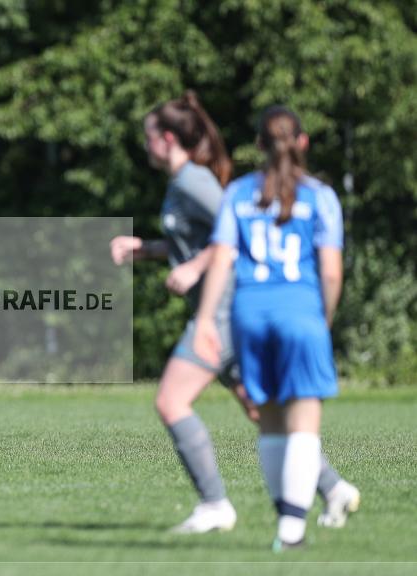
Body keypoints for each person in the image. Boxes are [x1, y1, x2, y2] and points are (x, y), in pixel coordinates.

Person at [111, 92, 357, 533]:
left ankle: (215, 506)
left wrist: (194, 267)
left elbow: (235, 235)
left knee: (170, 400)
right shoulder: (181, 181)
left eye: (149, 138)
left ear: (167, 139)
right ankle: (334, 487)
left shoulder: (194, 182)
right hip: (228, 313)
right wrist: (147, 250)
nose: (145, 146)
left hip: (225, 312)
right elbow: (201, 240)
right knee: (261, 411)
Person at [193, 105, 351, 550]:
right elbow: (332, 272)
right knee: (304, 425)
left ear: (259, 145)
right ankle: (292, 530)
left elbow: (222, 259)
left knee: (271, 425)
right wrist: (324, 317)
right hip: (299, 312)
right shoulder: (320, 196)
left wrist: (206, 318)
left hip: (250, 315)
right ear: (303, 142)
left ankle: (287, 518)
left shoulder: (239, 193)